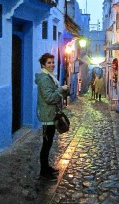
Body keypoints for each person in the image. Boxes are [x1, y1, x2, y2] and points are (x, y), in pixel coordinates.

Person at [35, 53, 68, 181]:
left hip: (51, 115)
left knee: (48, 144)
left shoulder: (49, 77)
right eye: (49, 62)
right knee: (46, 145)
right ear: (43, 65)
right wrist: (60, 89)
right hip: (48, 116)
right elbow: (49, 98)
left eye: (53, 62)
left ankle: (46, 168)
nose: (52, 65)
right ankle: (43, 172)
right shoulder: (44, 79)